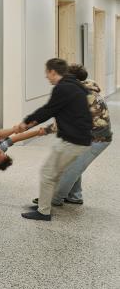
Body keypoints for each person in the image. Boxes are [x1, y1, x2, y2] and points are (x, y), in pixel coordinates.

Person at [15, 58, 92, 221]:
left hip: (73, 141)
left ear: (52, 71)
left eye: (46, 73)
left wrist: (26, 122)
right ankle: (45, 205)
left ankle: (43, 212)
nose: (46, 77)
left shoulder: (63, 88)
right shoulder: (74, 85)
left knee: (48, 173)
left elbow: (47, 111)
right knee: (54, 173)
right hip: (78, 139)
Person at [33, 63, 112, 207]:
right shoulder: (87, 88)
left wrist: (45, 130)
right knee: (74, 163)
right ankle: (75, 196)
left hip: (97, 138)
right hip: (95, 135)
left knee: (71, 169)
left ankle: (53, 199)